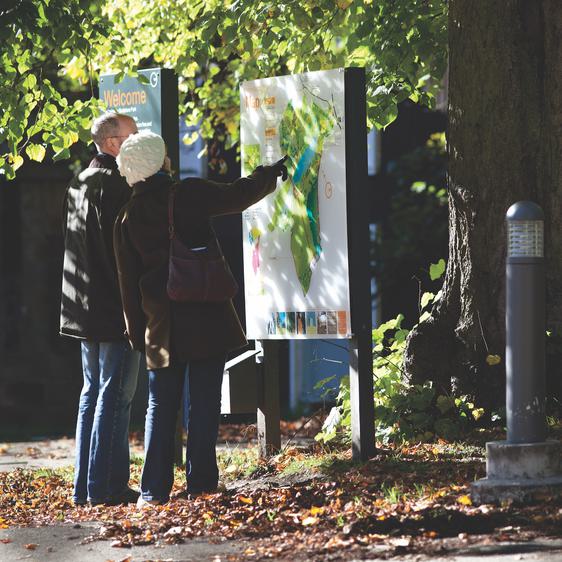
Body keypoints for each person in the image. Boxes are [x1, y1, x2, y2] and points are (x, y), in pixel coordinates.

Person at [113, 131, 287, 506]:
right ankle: (202, 485)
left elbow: (127, 285)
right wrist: (268, 173)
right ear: (161, 162)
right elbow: (238, 195)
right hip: (205, 315)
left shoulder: (127, 216)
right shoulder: (186, 194)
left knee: (160, 406)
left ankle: (153, 491)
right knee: (204, 402)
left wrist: (137, 334)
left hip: (161, 326)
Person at [60, 112, 141, 506]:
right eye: (133, 134)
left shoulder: (79, 181)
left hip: (82, 305)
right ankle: (106, 487)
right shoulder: (118, 185)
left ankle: (84, 487)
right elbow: (127, 252)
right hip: (114, 307)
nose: (138, 139)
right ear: (113, 142)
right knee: (115, 394)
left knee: (92, 392)